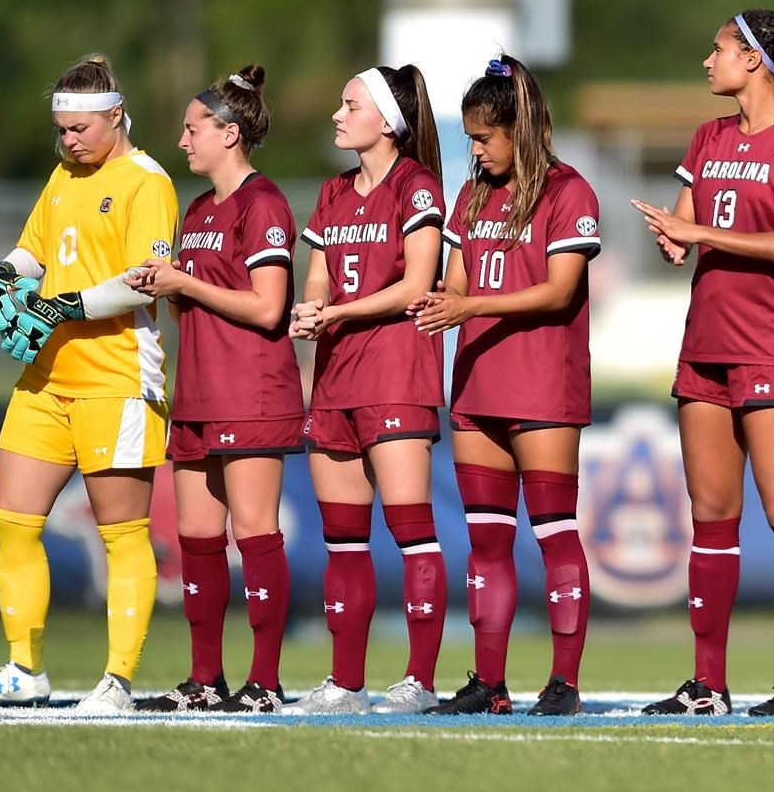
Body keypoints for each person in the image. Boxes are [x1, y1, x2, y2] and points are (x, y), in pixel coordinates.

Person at [0, 54, 177, 714]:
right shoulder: (61, 176)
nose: (70, 140)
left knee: (122, 534)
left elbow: (145, 276)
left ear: (116, 117)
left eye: (81, 128)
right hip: (46, 376)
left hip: (116, 377)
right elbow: (36, 249)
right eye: (62, 129)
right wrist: (3, 272)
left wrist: (64, 306)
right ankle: (25, 669)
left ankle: (117, 680)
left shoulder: (147, 182)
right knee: (13, 523)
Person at [633, 9, 774, 717]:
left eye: (717, 49)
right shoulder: (709, 135)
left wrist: (696, 229)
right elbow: (689, 222)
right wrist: (674, 237)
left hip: (773, 346)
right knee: (711, 518)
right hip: (705, 347)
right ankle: (707, 685)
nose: (706, 60)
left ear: (753, 60)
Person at [411, 56, 602, 718]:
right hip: (476, 388)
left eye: (484, 137)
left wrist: (468, 307)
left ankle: (564, 683)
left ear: (519, 131)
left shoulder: (568, 190)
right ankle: (489, 683)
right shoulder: (471, 196)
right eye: (469, 137)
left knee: (553, 535)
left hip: (544, 386)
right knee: (486, 540)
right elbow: (457, 284)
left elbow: (560, 290)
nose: (475, 149)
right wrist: (447, 303)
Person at [132, 65, 301, 714]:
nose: (182, 140)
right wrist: (162, 286)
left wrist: (184, 284)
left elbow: (267, 309)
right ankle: (205, 679)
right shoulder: (199, 209)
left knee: (254, 533)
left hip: (251, 391)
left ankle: (266, 681)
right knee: (197, 540)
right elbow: (193, 303)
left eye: (193, 127)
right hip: (199, 391)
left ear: (229, 134)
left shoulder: (264, 204)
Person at [283, 64, 448, 716]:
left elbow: (417, 285)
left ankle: (419, 681)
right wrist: (309, 307)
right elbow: (319, 276)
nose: (337, 115)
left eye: (350, 105)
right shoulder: (331, 192)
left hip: (396, 375)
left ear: (388, 120)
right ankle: (345, 682)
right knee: (343, 539)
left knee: (412, 533)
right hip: (335, 380)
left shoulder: (417, 187)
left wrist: (336, 314)